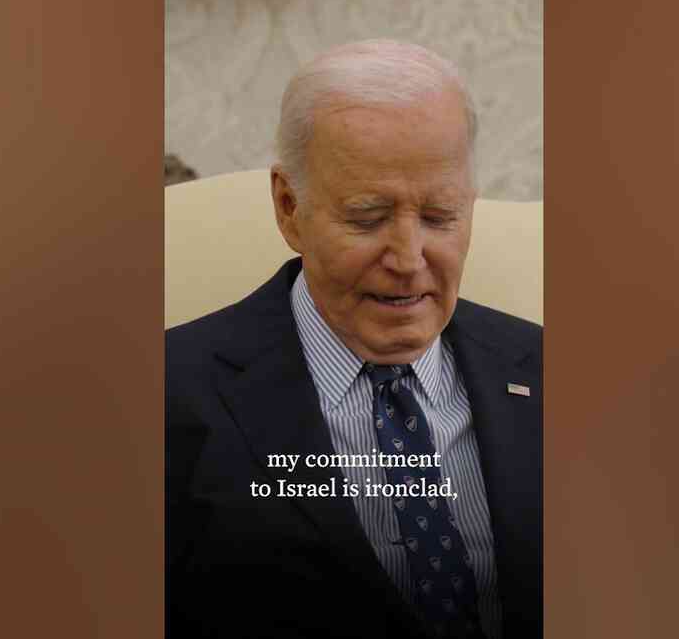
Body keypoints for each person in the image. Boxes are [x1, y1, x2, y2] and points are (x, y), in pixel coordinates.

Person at [166, 39, 541, 638]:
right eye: (367, 217)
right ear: (289, 208)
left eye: (441, 216)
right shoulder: (166, 394)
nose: (409, 258)